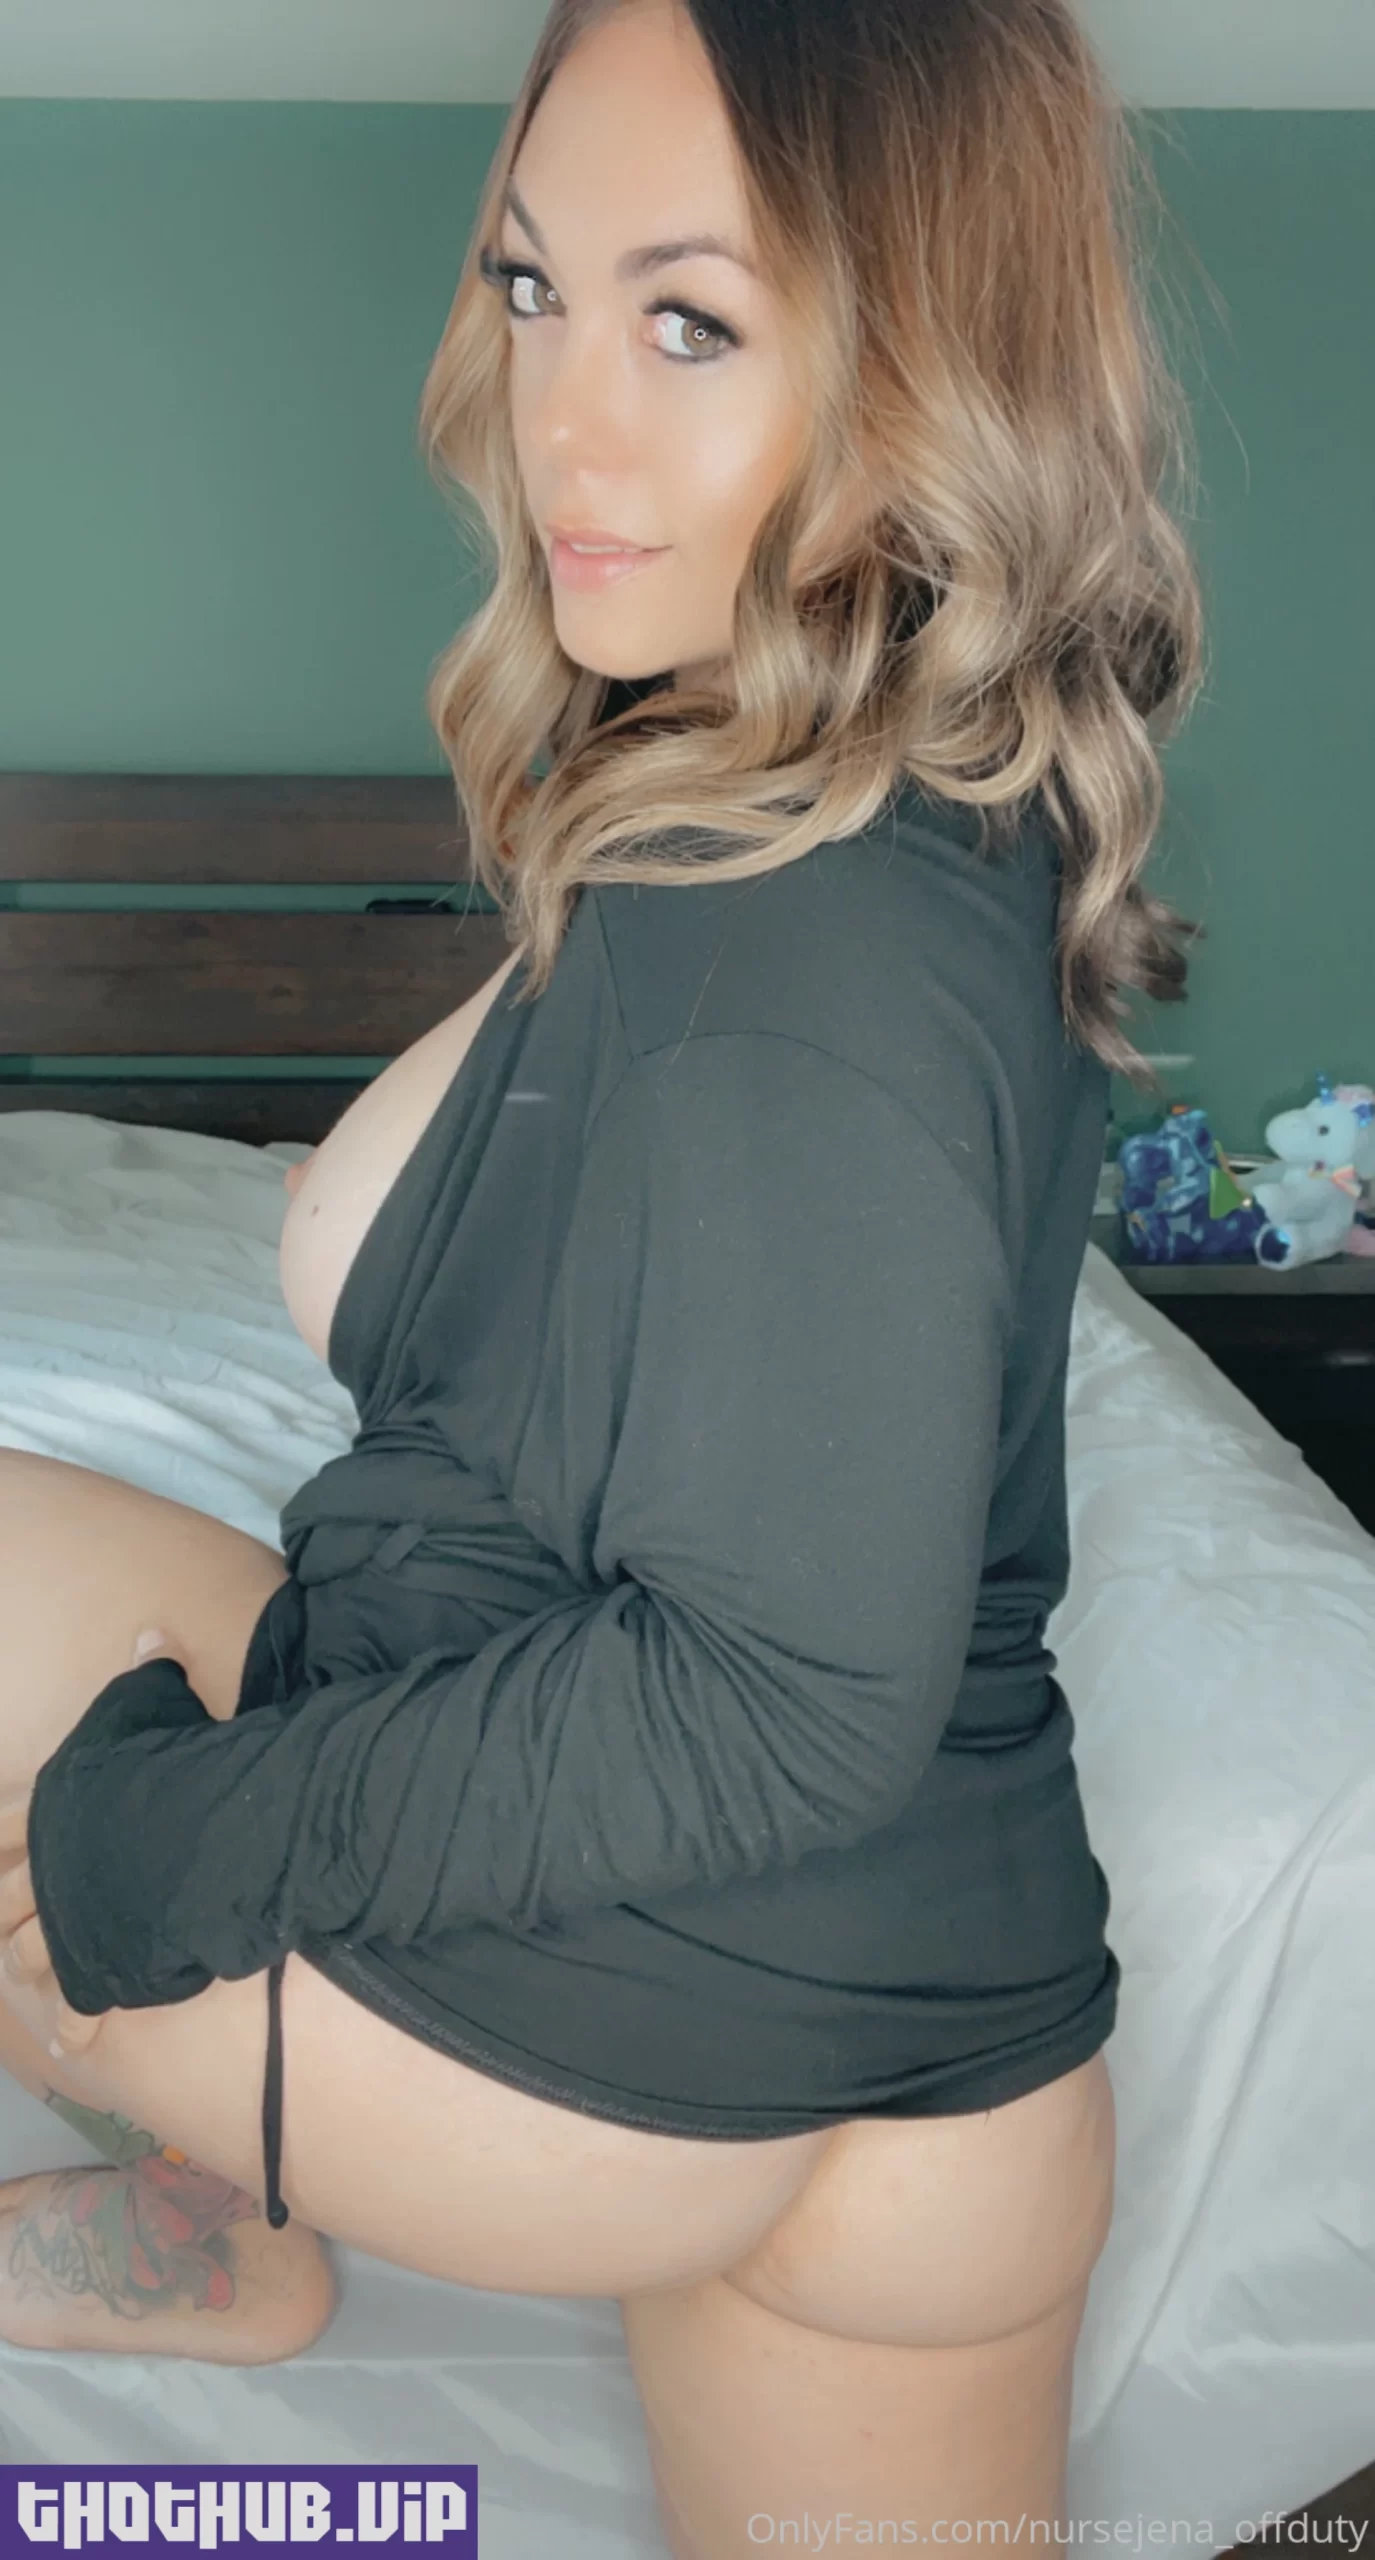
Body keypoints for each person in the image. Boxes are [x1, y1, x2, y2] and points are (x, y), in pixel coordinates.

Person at [0, 0, 1204, 2545]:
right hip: (950, 2060)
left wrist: (160, 1856)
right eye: (537, 287)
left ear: (928, 359)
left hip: (636, 2019)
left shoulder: (800, 937)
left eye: (693, 319)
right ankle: (217, 2222)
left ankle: (230, 2187)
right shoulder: (860, 790)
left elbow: (776, 1694)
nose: (566, 418)